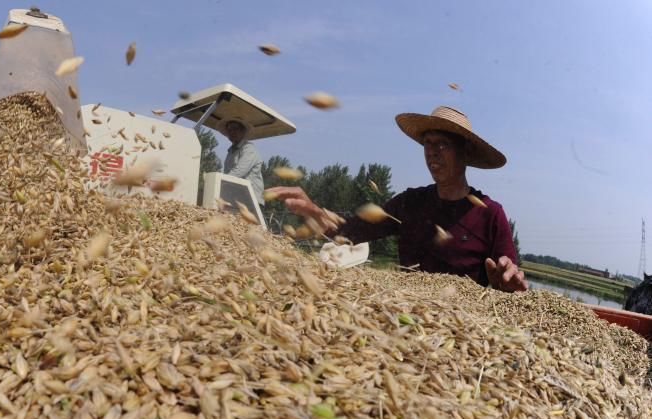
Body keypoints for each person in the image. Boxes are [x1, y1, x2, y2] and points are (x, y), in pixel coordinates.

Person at [268, 106, 527, 293]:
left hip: (459, 332)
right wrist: (313, 210)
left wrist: (508, 283)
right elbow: (350, 231)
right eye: (428, 143)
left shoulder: (489, 214)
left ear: (465, 152)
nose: (432, 153)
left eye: (443, 145)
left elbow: (509, 282)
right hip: (409, 314)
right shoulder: (410, 203)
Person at [222, 119, 264, 204]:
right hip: (237, 199)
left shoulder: (249, 149)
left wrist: (219, 182)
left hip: (251, 200)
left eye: (235, 129)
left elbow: (239, 171)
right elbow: (227, 173)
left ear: (243, 131)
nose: (232, 132)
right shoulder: (230, 152)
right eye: (229, 130)